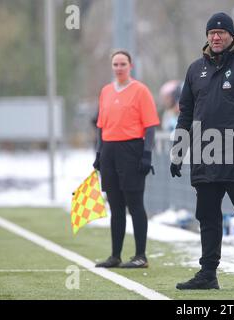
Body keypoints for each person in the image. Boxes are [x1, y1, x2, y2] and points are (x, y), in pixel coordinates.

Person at [170, 12, 234, 290]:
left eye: (221, 33)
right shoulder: (195, 70)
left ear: (231, 35)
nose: (216, 37)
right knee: (207, 217)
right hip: (205, 156)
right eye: (211, 33)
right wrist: (179, 149)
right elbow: (186, 113)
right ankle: (208, 274)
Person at [94, 50, 160, 268]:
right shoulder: (105, 91)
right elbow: (101, 126)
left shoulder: (140, 91)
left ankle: (141, 256)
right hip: (109, 151)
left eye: (123, 64)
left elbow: (150, 125)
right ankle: (115, 255)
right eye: (115, 64)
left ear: (130, 66)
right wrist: (98, 153)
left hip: (131, 149)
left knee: (135, 204)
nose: (119, 67)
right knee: (115, 205)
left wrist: (146, 155)